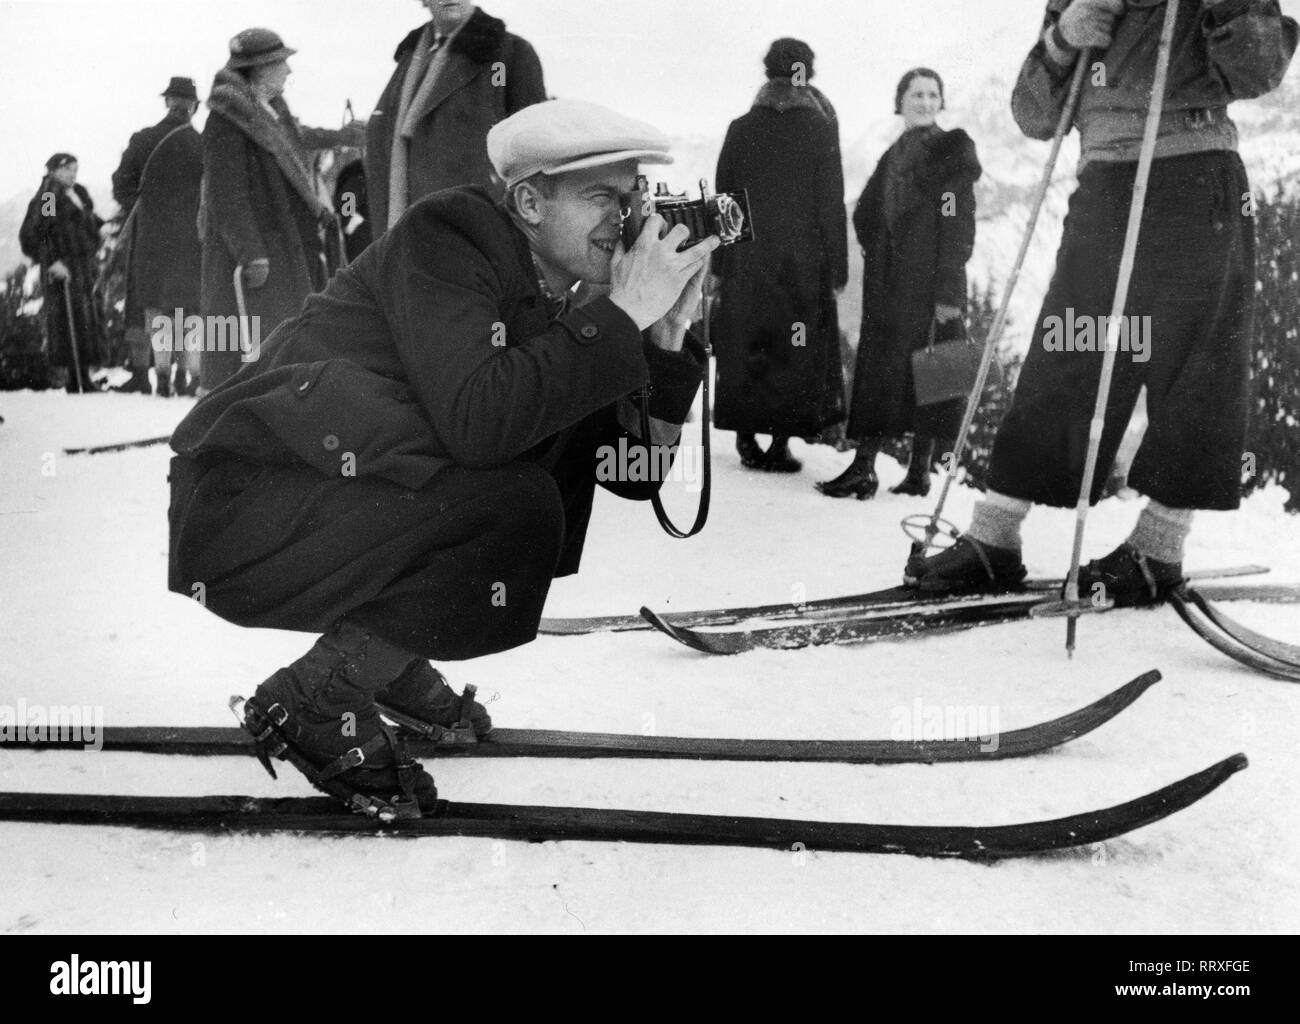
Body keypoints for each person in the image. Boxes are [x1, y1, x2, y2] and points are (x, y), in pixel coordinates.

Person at [167, 99, 718, 814]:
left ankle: (379, 657)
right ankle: (319, 696)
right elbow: (478, 427)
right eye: (602, 197)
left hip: (332, 497)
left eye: (633, 195)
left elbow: (628, 475)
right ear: (527, 200)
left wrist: (664, 334)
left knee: (543, 460)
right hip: (247, 507)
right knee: (512, 498)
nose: (627, 217)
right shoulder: (450, 238)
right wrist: (615, 319)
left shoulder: (562, 296)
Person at [906, 0, 1297, 603]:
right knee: (1067, 350)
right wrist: (1063, 38)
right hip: (1107, 181)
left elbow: (1261, 68)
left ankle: (1159, 548)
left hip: (1195, 174)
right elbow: (1033, 115)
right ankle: (995, 535)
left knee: (1196, 365)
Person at [818, 67, 980, 500]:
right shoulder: (896, 154)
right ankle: (875, 468)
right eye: (917, 95)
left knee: (930, 370)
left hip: (930, 286)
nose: (926, 102)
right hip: (893, 284)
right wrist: (884, 254)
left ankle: (913, 471)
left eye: (933, 95)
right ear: (901, 102)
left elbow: (956, 225)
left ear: (941, 102)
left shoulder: (951, 156)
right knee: (886, 372)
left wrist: (947, 291)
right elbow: (866, 212)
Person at [712, 38, 848, 474]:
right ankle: (780, 443)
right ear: (806, 73)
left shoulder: (740, 128)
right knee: (793, 344)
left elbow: (724, 200)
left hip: (747, 258)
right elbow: (831, 202)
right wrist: (838, 266)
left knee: (746, 339)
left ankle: (745, 435)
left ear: (766, 72)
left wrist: (720, 263)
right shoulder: (820, 128)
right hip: (802, 260)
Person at [199, 28, 362, 393]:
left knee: (279, 342)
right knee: (251, 350)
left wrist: (343, 136)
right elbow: (227, 195)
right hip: (256, 255)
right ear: (259, 69)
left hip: (281, 247)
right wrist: (251, 254)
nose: (288, 70)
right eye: (281, 63)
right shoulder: (226, 120)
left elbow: (298, 139)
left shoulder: (269, 114)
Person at [366, 0, 546, 234]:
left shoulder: (510, 54)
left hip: (478, 231)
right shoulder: (408, 61)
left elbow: (534, 155)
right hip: (411, 233)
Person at [111, 77, 204, 396]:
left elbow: (121, 187)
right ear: (193, 106)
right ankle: (189, 374)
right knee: (190, 310)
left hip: (151, 239)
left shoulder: (142, 140)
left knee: (156, 308)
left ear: (167, 102)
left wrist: (145, 205)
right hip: (192, 240)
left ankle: (162, 375)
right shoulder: (201, 144)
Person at [19, 154, 105, 394]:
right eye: (67, 169)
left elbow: (83, 221)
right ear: (53, 170)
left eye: (75, 168)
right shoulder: (48, 195)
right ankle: (74, 378)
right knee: (69, 321)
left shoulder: (77, 193)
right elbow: (41, 230)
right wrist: (52, 262)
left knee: (86, 320)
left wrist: (100, 226)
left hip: (83, 266)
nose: (72, 173)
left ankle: (85, 375)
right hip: (63, 268)